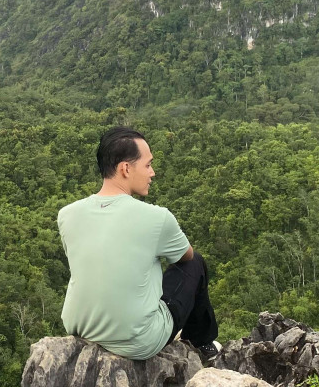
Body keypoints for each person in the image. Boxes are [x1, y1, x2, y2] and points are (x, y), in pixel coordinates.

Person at [58, 126, 220, 361]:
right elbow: (186, 257)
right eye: (147, 165)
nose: (152, 172)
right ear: (125, 168)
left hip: (80, 328)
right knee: (196, 263)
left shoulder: (67, 214)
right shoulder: (157, 217)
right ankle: (201, 344)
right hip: (138, 341)